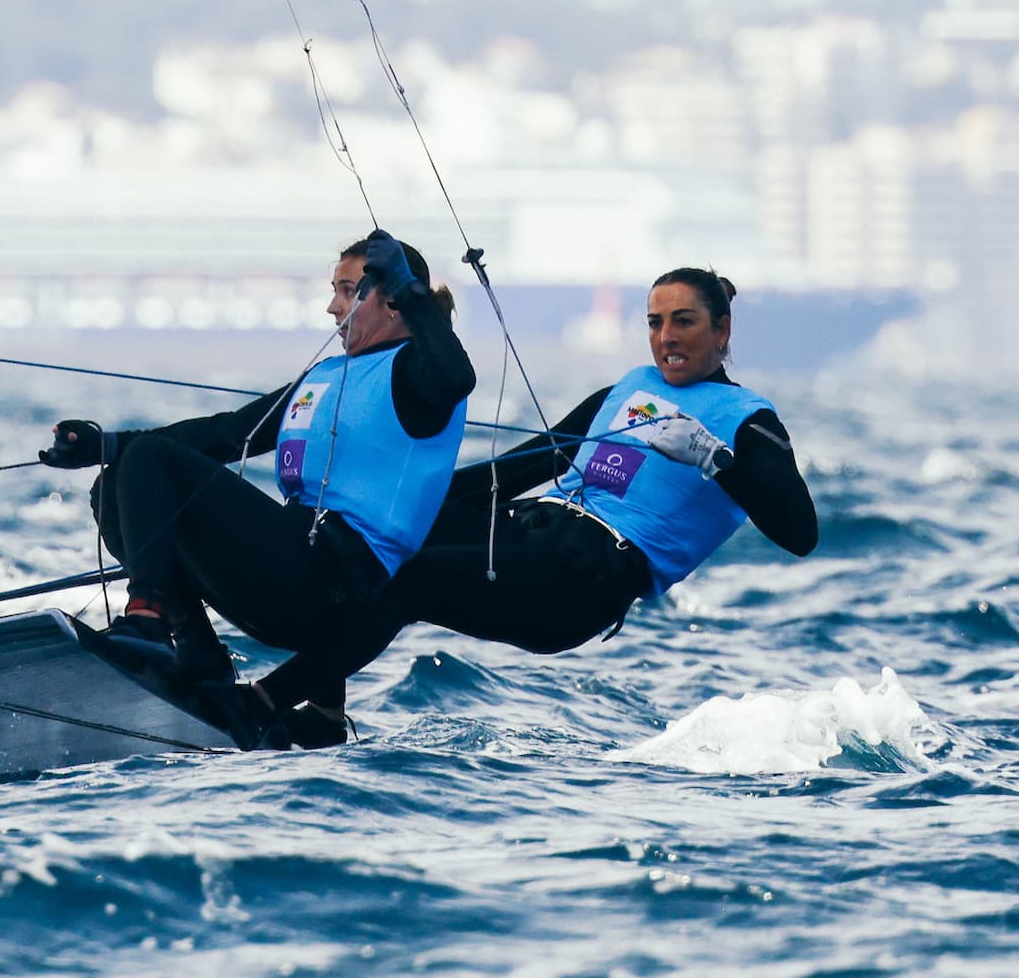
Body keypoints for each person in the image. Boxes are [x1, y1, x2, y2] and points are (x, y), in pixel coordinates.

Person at [246, 267, 819, 740]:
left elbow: (800, 533)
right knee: (367, 535)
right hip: (526, 532)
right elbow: (523, 466)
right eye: (655, 322)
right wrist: (396, 494)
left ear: (722, 331)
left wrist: (712, 458)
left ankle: (262, 703)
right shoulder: (629, 388)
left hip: (581, 581)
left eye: (684, 322)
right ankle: (316, 714)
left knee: (409, 580)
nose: (666, 336)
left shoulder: (750, 421)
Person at [41, 230, 476, 745]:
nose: (331, 307)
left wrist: (413, 295)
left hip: (333, 591)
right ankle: (199, 655)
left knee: (150, 461)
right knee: (117, 485)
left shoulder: (419, 378)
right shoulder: (328, 375)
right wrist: (104, 445)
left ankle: (147, 622)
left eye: (346, 290)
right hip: (291, 572)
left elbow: (455, 376)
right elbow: (224, 434)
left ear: (392, 301)